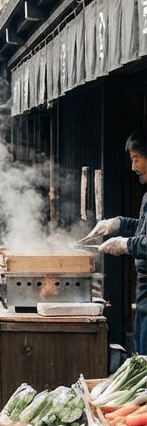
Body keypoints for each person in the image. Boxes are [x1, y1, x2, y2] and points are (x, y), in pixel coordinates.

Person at [83, 131, 147, 351]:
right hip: (143, 290)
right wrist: (118, 223)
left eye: (136, 159)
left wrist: (126, 244)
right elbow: (143, 227)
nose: (133, 166)